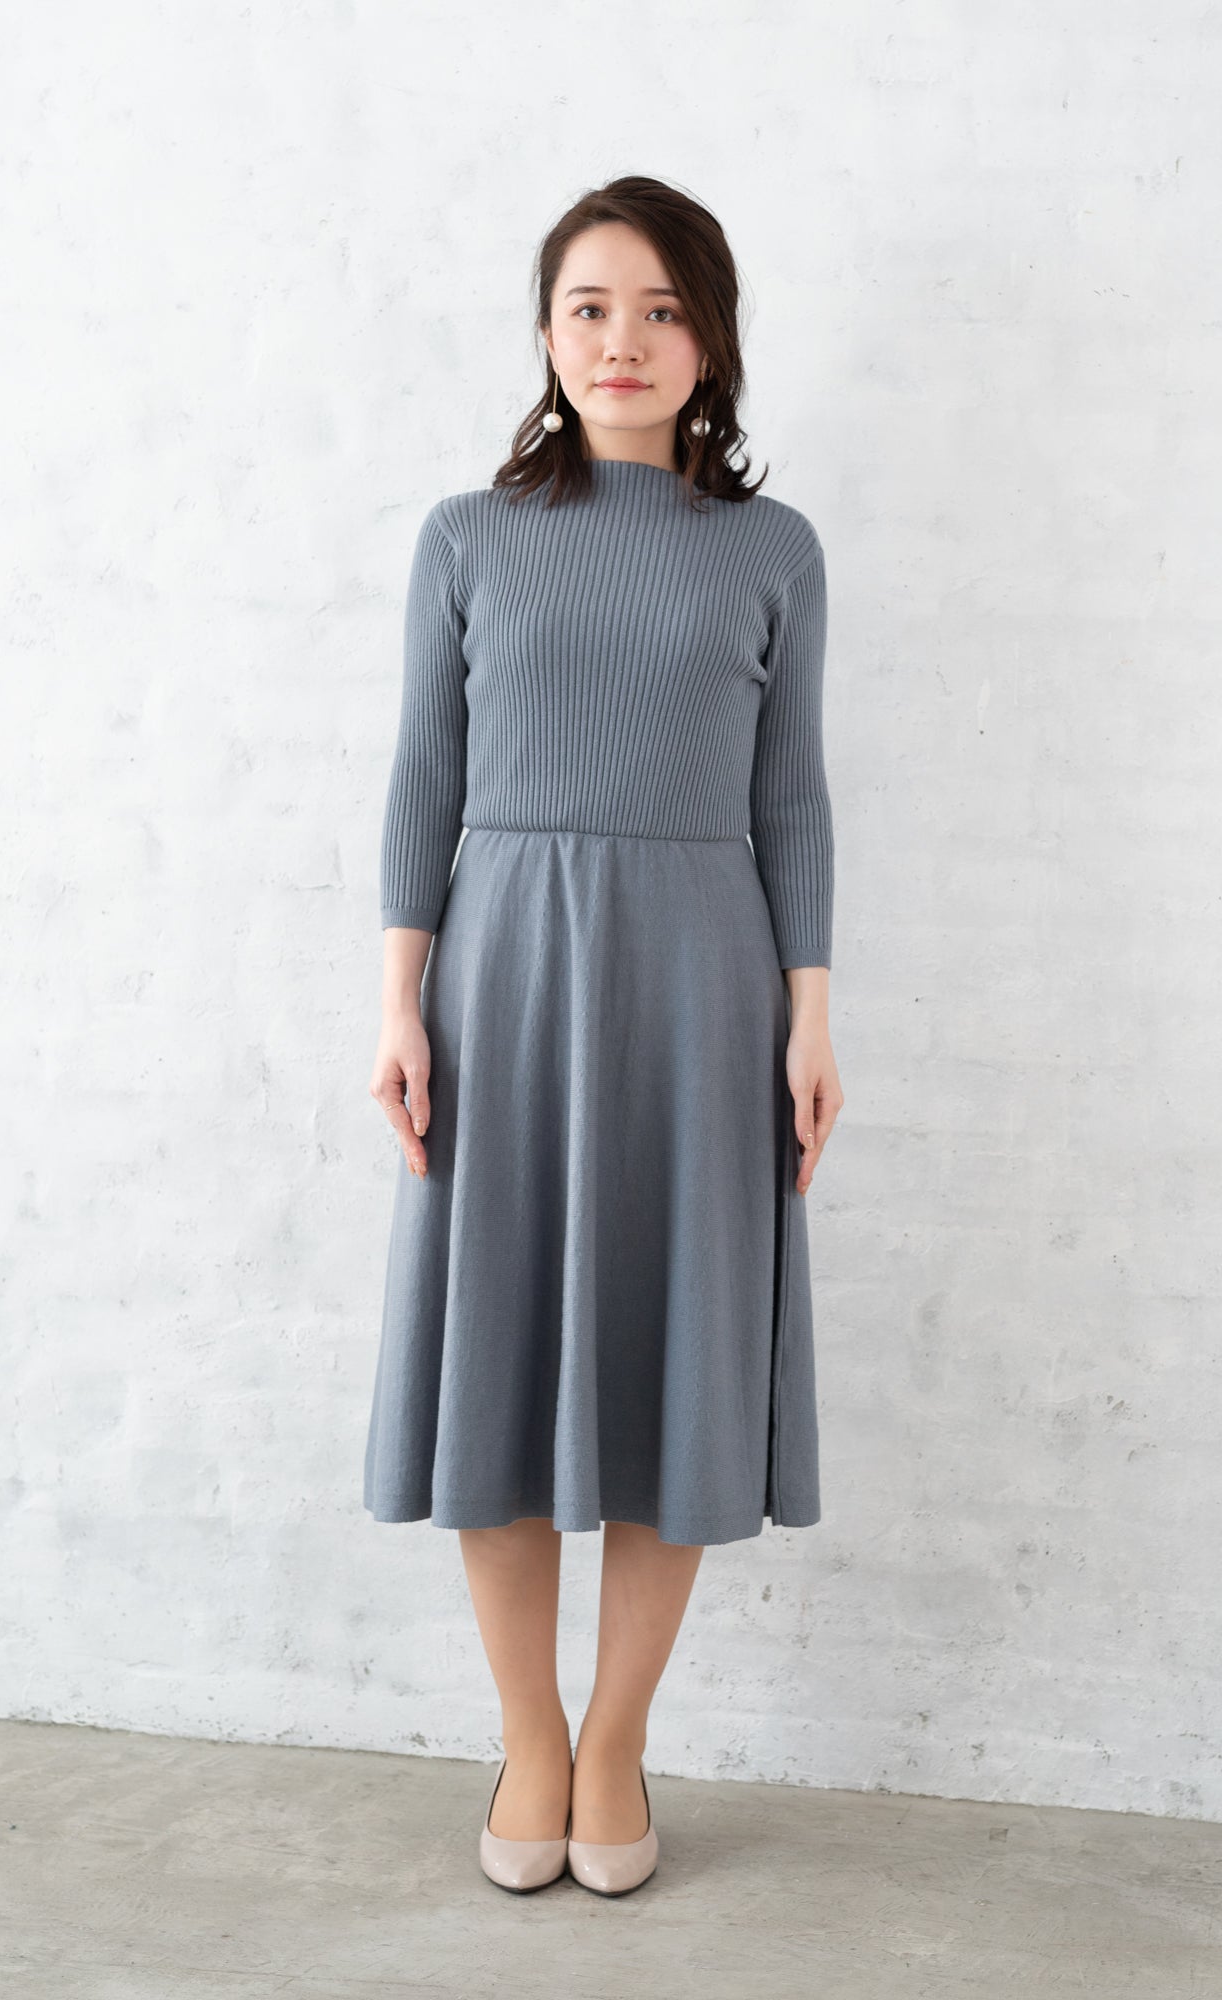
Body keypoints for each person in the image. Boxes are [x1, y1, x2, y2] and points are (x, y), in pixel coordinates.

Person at [362, 175, 845, 1896]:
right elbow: (424, 776)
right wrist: (402, 999)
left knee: (674, 1360)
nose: (621, 340)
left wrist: (810, 1017)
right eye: (589, 307)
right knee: (496, 1357)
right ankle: (532, 1740)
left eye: (659, 309)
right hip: (502, 980)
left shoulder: (773, 552)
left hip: (703, 987)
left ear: (709, 341)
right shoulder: (466, 538)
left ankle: (620, 1741)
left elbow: (793, 801)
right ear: (546, 333)